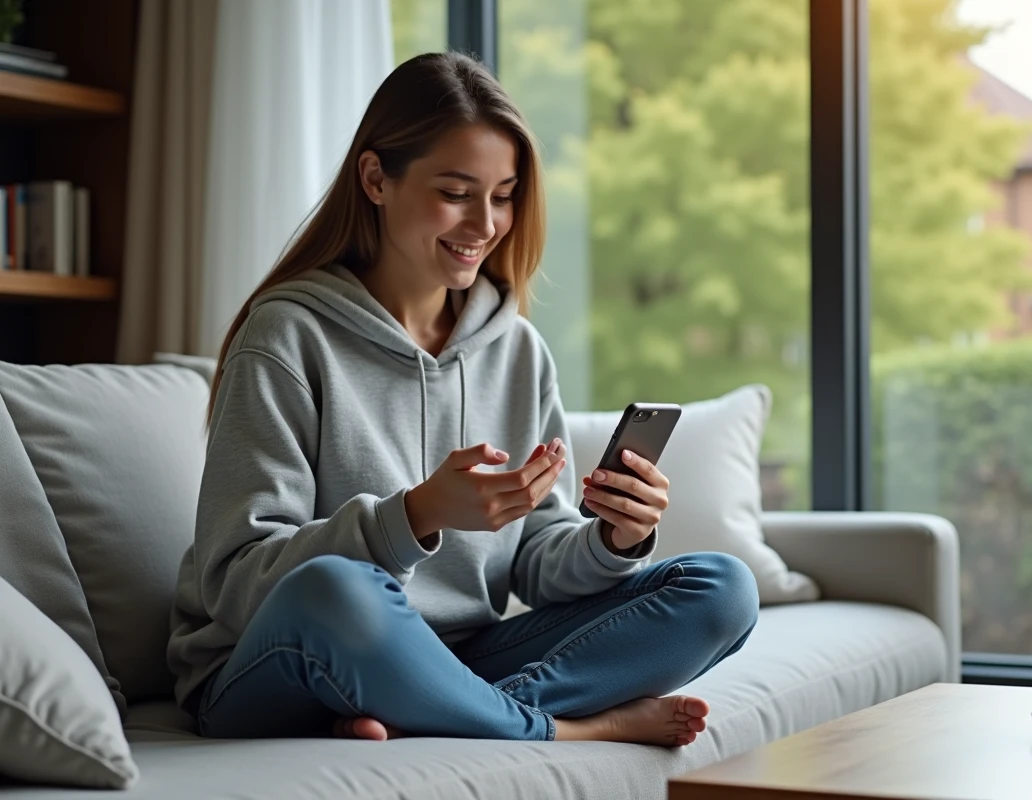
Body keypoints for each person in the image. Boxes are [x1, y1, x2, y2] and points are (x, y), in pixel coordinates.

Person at [166, 52, 759, 747]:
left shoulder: (516, 351)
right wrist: (413, 516)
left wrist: (613, 539)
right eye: (456, 191)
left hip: (452, 658)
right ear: (376, 178)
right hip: (275, 667)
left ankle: (444, 709)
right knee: (339, 590)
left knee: (721, 589)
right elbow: (237, 583)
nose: (486, 222)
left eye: (504, 194)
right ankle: (564, 730)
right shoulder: (287, 336)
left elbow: (536, 559)